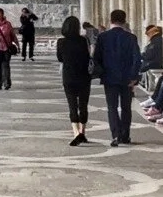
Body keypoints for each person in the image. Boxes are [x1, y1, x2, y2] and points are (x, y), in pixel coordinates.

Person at [92, 8, 141, 145]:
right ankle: (125, 135)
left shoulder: (103, 37)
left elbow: (96, 58)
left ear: (111, 20)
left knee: (112, 107)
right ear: (124, 21)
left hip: (109, 77)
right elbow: (137, 58)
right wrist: (134, 77)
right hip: (127, 78)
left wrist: (101, 72)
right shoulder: (131, 37)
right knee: (126, 107)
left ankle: (115, 135)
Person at [56, 14, 92, 147]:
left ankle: (76, 133)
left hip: (68, 77)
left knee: (72, 105)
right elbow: (87, 56)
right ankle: (83, 131)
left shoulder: (61, 42)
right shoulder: (83, 40)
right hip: (83, 76)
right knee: (83, 104)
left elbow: (60, 58)